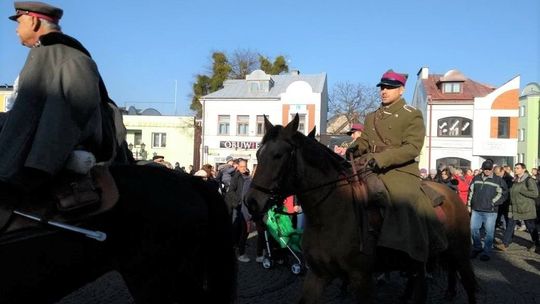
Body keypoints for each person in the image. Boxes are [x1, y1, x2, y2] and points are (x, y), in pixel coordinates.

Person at [1, 1, 128, 226]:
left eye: (19, 22)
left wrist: (36, 168)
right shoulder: (49, 55)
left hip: (56, 160)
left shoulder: (64, 56)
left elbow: (67, 115)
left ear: (33, 20)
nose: (16, 29)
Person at [347, 69, 447, 263]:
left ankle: (412, 251)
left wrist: (383, 159)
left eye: (390, 88)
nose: (384, 91)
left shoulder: (412, 114)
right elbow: (365, 141)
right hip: (369, 165)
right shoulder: (371, 116)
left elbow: (412, 147)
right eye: (382, 87)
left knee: (404, 199)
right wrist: (353, 149)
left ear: (401, 90)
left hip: (399, 169)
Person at [468, 160, 508, 261]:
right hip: (476, 209)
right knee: (473, 229)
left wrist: (493, 202)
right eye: (485, 169)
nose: (487, 171)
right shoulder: (476, 178)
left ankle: (487, 252)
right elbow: (471, 191)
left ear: (492, 169)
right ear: (482, 169)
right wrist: (468, 205)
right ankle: (477, 247)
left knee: (489, 232)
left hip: (491, 211)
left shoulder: (498, 180)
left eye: (489, 169)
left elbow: (504, 193)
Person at [495, 163, 539, 253]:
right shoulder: (515, 180)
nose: (515, 169)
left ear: (523, 169)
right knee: (510, 226)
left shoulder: (529, 180)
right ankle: (505, 244)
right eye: (515, 168)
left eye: (518, 168)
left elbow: (535, 194)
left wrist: (522, 190)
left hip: (526, 208)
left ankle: (537, 244)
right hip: (514, 208)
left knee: (531, 227)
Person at [225, 158, 252, 262]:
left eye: (245, 166)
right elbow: (231, 191)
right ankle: (240, 252)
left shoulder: (247, 175)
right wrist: (238, 202)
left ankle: (237, 247)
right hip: (239, 207)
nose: (244, 168)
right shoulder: (237, 176)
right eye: (241, 166)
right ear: (238, 167)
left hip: (246, 207)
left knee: (241, 229)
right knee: (240, 228)